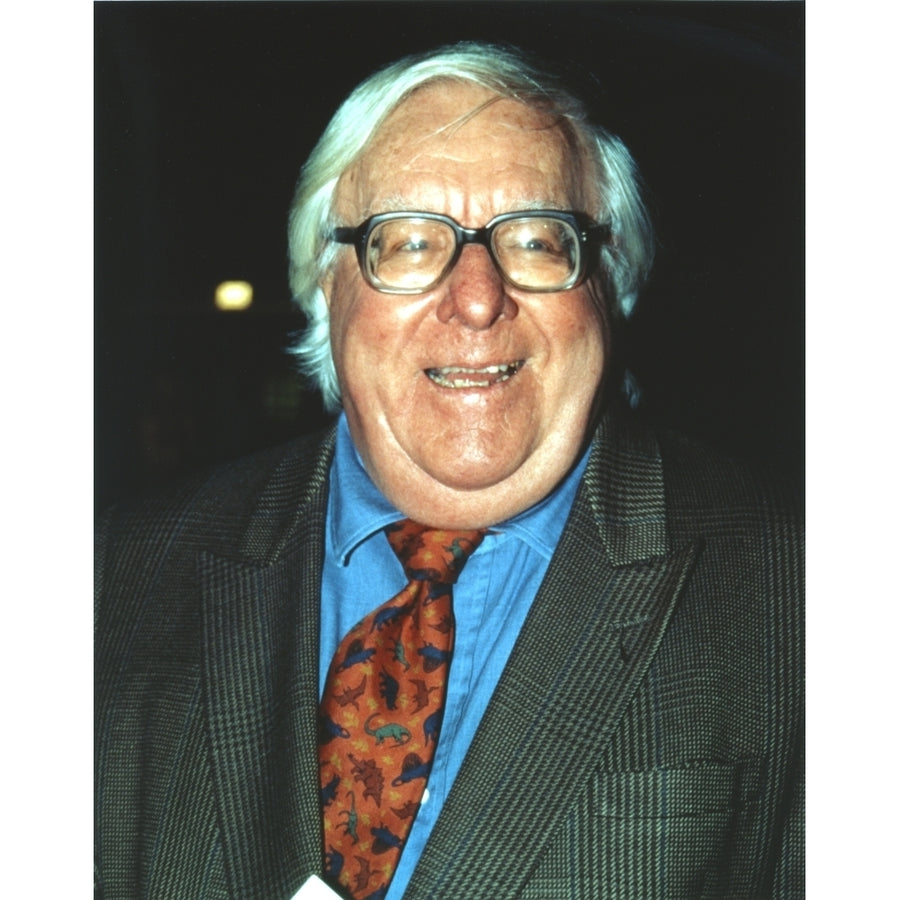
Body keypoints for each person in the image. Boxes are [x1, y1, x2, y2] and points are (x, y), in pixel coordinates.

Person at [94, 42, 803, 900]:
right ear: (326, 286)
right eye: (409, 242)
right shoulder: (107, 586)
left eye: (539, 241)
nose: (476, 298)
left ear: (607, 282)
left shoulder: (800, 594)